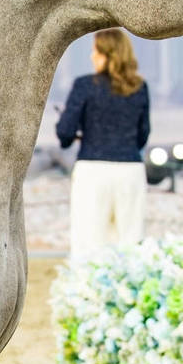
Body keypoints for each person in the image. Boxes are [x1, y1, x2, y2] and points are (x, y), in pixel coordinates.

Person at [56, 28, 150, 263]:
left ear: (106, 53)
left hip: (93, 170)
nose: (91, 56)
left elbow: (65, 133)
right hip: (130, 170)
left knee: (88, 245)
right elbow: (143, 135)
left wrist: (70, 126)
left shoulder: (85, 85)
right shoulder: (139, 87)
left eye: (94, 51)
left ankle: (88, 296)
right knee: (131, 245)